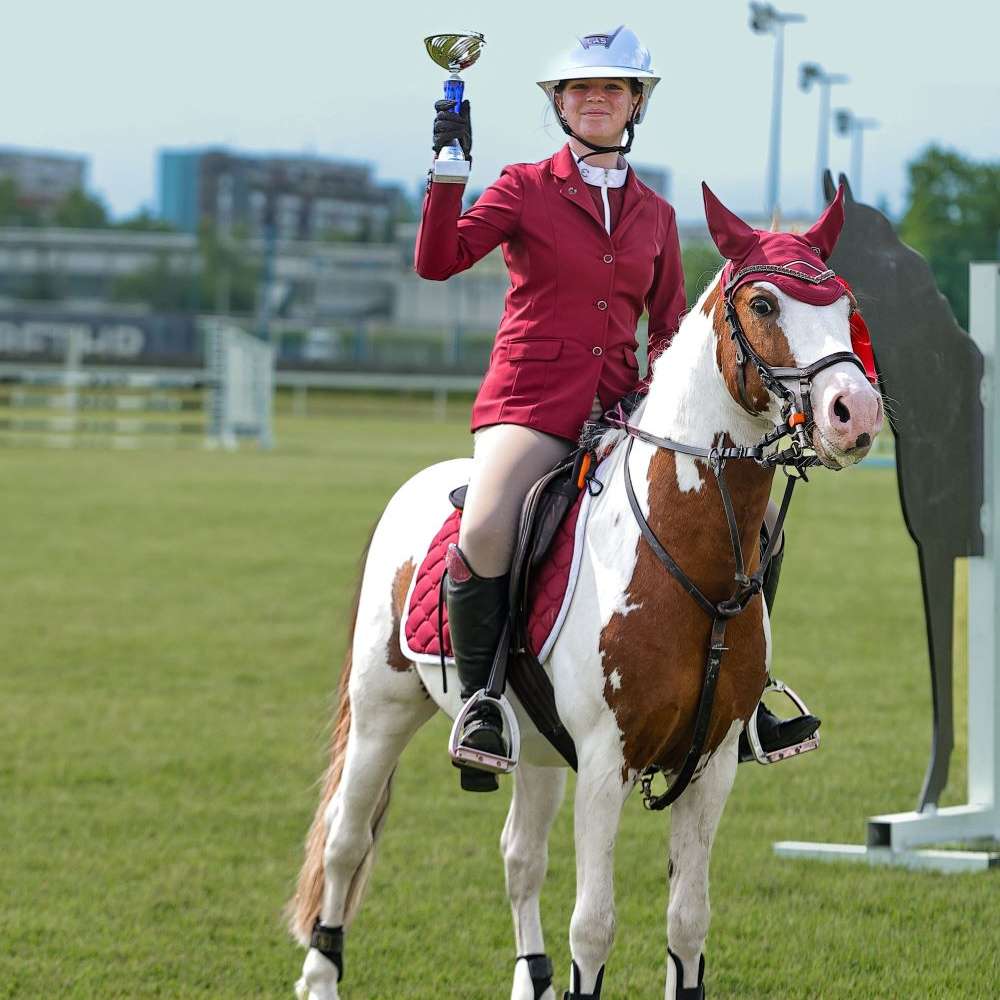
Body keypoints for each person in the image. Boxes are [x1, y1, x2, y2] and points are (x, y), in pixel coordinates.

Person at [415, 26, 817, 792]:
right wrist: (446, 171)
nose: (594, 99)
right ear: (560, 105)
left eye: (612, 88)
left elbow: (670, 331)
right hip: (529, 405)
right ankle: (482, 703)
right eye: (579, 89)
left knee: (758, 523)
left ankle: (746, 695)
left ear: (636, 104)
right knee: (488, 522)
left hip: (622, 410)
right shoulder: (522, 187)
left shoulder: (657, 214)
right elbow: (437, 261)